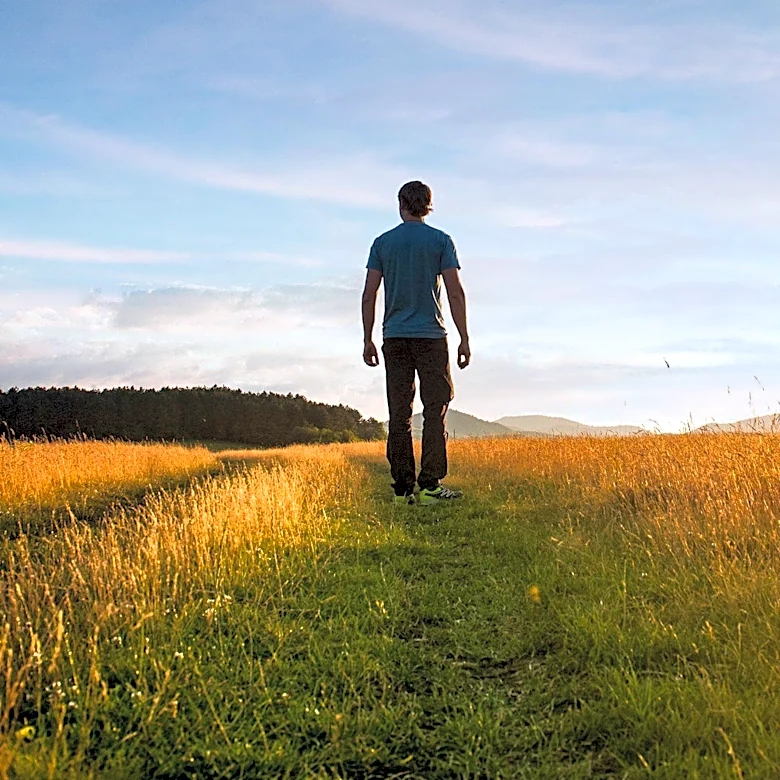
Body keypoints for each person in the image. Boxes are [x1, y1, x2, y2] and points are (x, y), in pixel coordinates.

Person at [361, 180, 470, 506]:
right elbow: (455, 292)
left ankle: (403, 489)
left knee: (399, 414)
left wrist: (367, 339)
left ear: (401, 204)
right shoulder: (441, 241)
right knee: (434, 412)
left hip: (394, 337)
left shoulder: (383, 243)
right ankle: (430, 486)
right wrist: (464, 337)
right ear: (428, 205)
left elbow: (369, 294)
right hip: (432, 337)